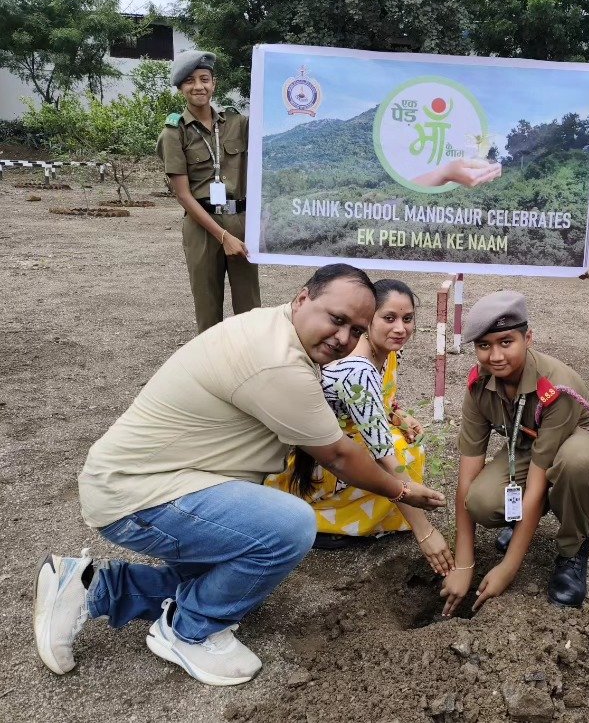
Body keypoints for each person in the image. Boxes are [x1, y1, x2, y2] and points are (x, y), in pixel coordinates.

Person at [34, 264, 445, 686]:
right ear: (303, 298)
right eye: (337, 319)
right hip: (139, 494)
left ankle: (90, 588)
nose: (344, 338)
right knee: (288, 527)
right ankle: (189, 631)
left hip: (180, 480)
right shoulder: (278, 363)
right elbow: (339, 456)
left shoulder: (277, 328)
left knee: (223, 578)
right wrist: (402, 490)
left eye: (356, 329)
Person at [440, 291, 589, 614]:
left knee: (575, 464)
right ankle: (529, 516)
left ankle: (573, 548)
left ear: (528, 338)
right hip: (530, 443)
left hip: (581, 438)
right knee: (480, 501)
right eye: (484, 345)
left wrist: (508, 567)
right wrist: (464, 563)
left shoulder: (555, 387)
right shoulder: (479, 387)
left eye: (506, 342)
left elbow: (535, 484)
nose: (495, 356)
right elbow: (467, 476)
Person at [265, 279, 453, 576]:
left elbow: (378, 402)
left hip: (342, 442)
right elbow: (382, 453)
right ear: (368, 321)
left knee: (406, 441)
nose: (400, 328)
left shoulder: (386, 350)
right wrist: (426, 532)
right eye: (389, 318)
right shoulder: (357, 370)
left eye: (407, 319)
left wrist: (398, 415)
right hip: (320, 461)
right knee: (398, 455)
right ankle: (324, 520)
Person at [157, 49, 260, 334]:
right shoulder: (173, 133)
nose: (198, 86)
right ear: (181, 88)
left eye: (205, 79)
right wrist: (222, 236)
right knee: (208, 309)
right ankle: (211, 371)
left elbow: (270, 137)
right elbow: (183, 195)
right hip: (201, 227)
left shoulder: (237, 123)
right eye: (190, 81)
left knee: (249, 309)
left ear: (214, 84)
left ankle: (247, 368)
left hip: (239, 221)